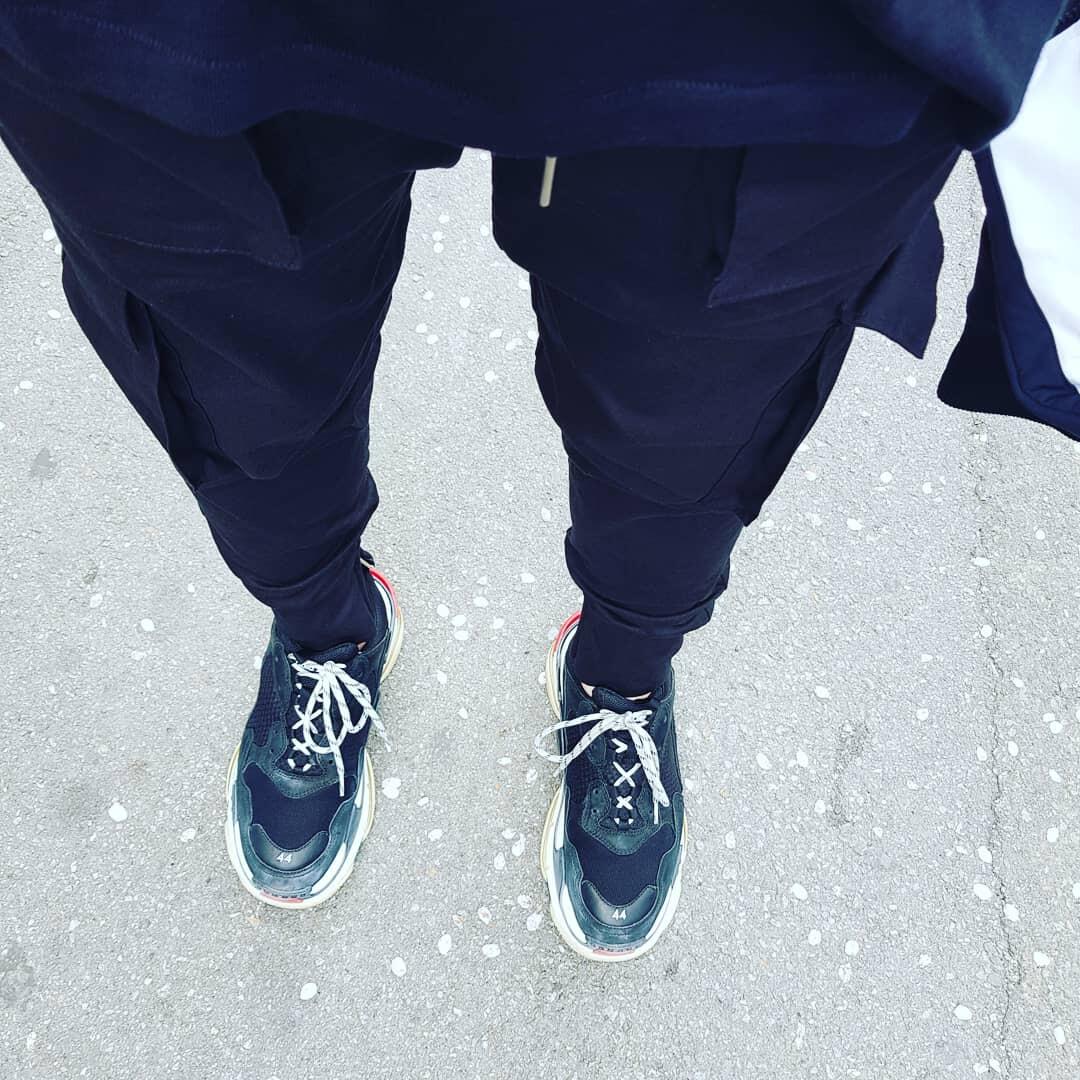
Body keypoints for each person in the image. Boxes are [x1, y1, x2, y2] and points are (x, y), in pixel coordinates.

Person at [0, 1, 1076, 962]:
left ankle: (621, 677)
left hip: (765, 35)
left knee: (686, 434)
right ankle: (328, 628)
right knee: (241, 395)